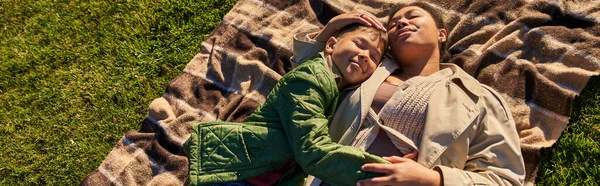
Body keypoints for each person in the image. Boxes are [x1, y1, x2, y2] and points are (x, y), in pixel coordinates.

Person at [293, 2, 526, 186]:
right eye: (393, 25)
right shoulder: (364, 68)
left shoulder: (476, 96)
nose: (401, 23)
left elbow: (505, 179)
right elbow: (306, 81)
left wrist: (434, 180)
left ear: (442, 34)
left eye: (412, 16)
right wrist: (332, 27)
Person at [183, 23, 396, 186]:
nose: (364, 55)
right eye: (359, 44)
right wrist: (386, 175)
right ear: (330, 45)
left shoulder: (336, 86)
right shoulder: (311, 78)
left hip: (260, 175)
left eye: (374, 56)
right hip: (234, 171)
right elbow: (312, 150)